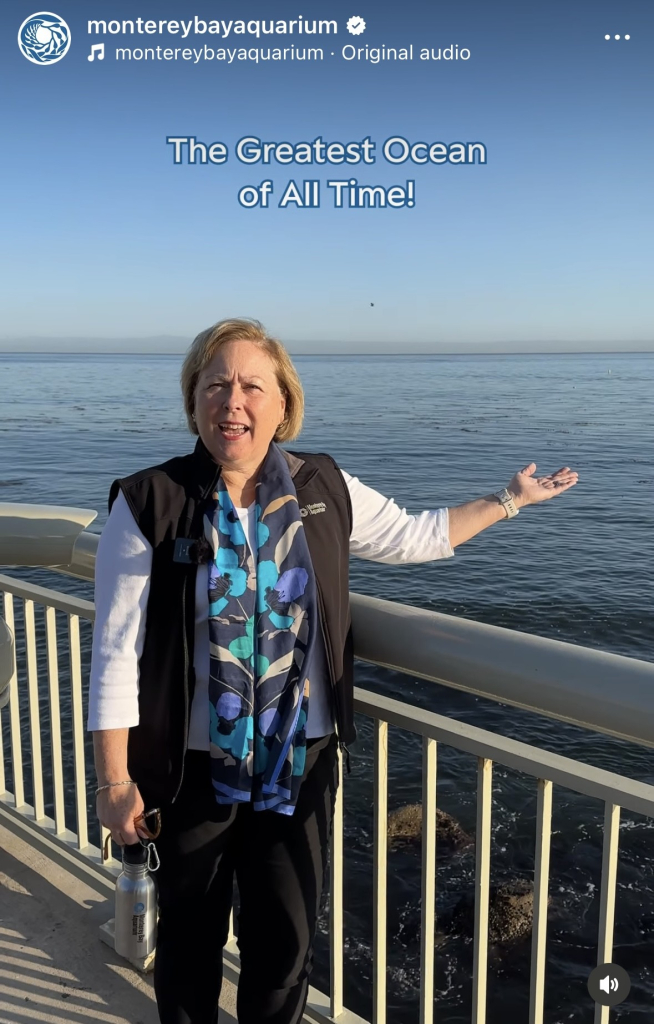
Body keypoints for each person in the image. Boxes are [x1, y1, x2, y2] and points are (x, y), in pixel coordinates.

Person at [88, 318, 578, 1024]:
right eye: (215, 384)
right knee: (191, 939)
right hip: (192, 770)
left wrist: (508, 501)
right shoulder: (148, 502)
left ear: (283, 403)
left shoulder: (325, 485)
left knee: (283, 944)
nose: (233, 401)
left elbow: (418, 534)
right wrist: (114, 780)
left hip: (301, 761)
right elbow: (114, 653)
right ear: (192, 400)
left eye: (252, 385)